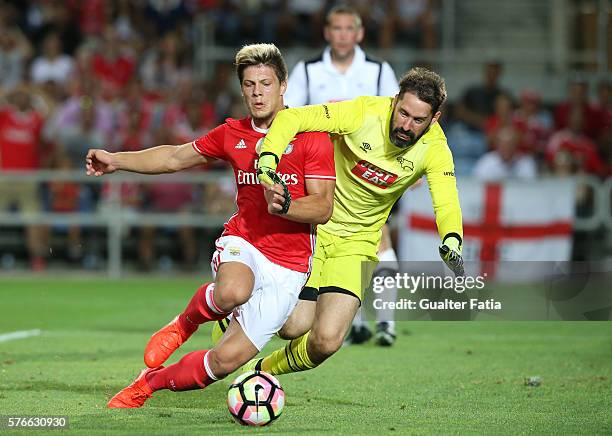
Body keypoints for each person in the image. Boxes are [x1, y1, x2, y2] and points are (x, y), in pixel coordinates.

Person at [85, 43, 335, 408]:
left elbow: (323, 206)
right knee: (232, 291)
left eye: (265, 83)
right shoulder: (232, 133)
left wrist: (284, 206)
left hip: (290, 266)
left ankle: (148, 384)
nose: (257, 93)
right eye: (249, 85)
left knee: (222, 363)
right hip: (245, 242)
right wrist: (116, 160)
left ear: (283, 86)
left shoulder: (311, 135)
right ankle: (184, 324)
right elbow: (174, 157)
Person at [247, 66, 464, 377]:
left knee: (326, 341)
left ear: (434, 119)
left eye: (418, 120)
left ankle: (258, 373)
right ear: (393, 102)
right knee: (294, 326)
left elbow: (446, 198)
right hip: (313, 230)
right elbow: (293, 117)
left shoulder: (436, 149)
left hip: (358, 243)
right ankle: (238, 300)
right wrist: (269, 155)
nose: (406, 125)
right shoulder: (362, 112)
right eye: (402, 113)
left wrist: (452, 238)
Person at [284, 4, 400, 346]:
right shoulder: (307, 71)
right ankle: (358, 323)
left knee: (380, 239)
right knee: (335, 245)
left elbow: (398, 119)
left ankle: (386, 323)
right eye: (337, 28)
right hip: (323, 172)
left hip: (368, 173)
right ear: (327, 32)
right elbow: (291, 117)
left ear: (360, 33)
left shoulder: (379, 72)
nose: (343, 35)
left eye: (350, 29)